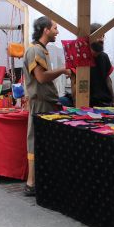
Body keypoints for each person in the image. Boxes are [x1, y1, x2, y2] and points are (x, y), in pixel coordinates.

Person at [23, 16, 71, 196]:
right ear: (46, 30)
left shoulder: (41, 50)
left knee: (43, 141)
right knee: (35, 140)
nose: (57, 32)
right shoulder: (35, 51)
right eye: (55, 28)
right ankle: (31, 183)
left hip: (46, 102)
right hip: (40, 103)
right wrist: (63, 70)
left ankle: (41, 180)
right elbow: (41, 78)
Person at [88, 23, 114, 107]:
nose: (102, 40)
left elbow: (108, 80)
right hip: (88, 103)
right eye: (98, 36)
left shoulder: (104, 57)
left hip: (105, 102)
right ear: (90, 38)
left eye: (103, 36)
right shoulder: (83, 57)